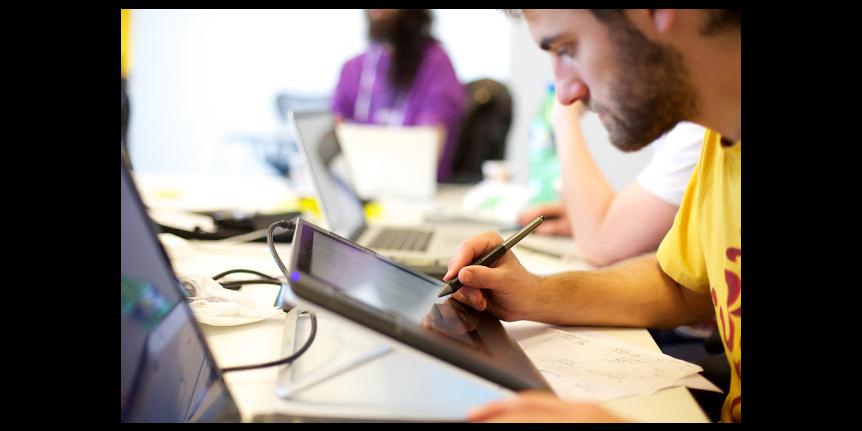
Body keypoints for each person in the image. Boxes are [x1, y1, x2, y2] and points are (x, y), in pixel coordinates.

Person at [445, 9, 741, 422]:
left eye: (568, 49)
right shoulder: (721, 140)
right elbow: (685, 287)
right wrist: (535, 294)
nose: (565, 94)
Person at [518, 98, 705, 267]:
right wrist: (585, 219)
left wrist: (563, 114)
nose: (569, 89)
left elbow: (601, 248)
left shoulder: (699, 130)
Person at [331, 9, 466, 182]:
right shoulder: (353, 68)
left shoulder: (436, 65)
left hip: (418, 193)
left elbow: (426, 153)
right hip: (359, 188)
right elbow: (336, 139)